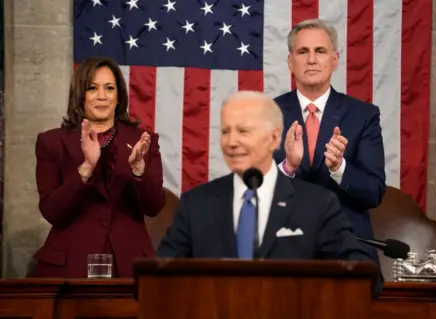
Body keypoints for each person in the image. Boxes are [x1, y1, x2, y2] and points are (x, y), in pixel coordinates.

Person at [157, 91, 382, 295]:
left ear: (274, 139)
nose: (232, 142)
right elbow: (154, 282)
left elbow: (368, 280)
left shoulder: (317, 205)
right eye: (226, 131)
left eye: (244, 131)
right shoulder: (196, 204)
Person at [29, 57, 166, 278]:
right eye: (92, 88)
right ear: (80, 94)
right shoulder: (51, 142)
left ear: (118, 95)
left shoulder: (144, 140)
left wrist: (138, 171)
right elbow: (51, 211)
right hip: (70, 266)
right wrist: (86, 168)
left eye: (109, 88)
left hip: (128, 265)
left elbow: (154, 207)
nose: (101, 96)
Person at [273, 19, 386, 262]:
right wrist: (287, 168)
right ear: (290, 62)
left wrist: (340, 168)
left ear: (334, 61)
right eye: (303, 51)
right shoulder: (266, 114)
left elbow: (374, 192)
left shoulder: (363, 116)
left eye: (320, 51)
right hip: (283, 250)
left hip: (347, 251)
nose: (311, 59)